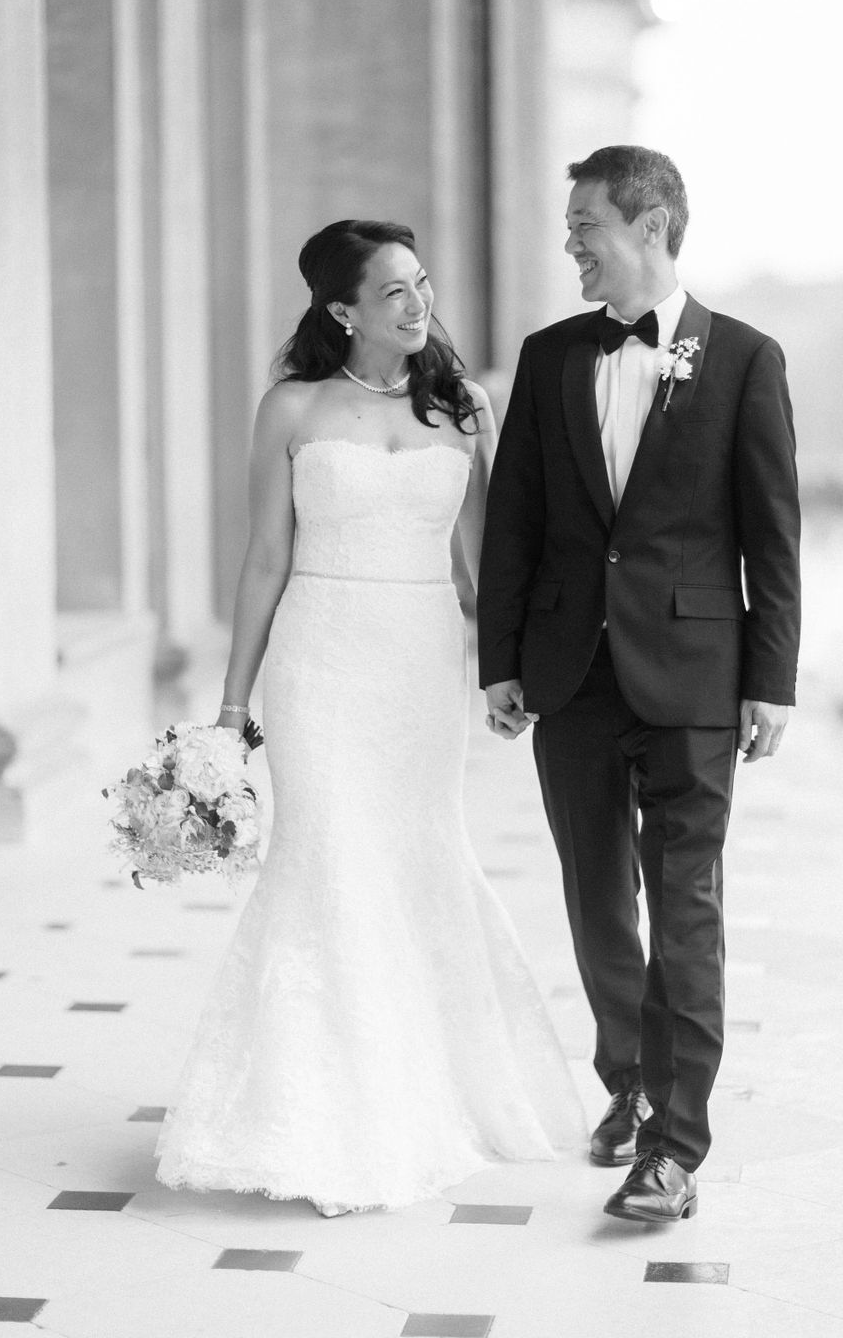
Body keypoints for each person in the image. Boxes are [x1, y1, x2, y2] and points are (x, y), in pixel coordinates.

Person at [155, 219, 587, 1215]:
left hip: (420, 665)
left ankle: (427, 1087)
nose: (417, 302)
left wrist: (503, 671)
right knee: (329, 863)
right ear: (341, 310)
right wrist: (231, 706)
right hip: (319, 661)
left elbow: (485, 565)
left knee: (418, 855)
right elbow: (264, 558)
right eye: (393, 290)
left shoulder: (460, 407)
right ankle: (329, 1115)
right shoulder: (292, 409)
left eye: (421, 282)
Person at [477, 146, 801, 1223]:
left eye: (586, 226)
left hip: (696, 678)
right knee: (594, 898)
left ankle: (673, 1148)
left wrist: (772, 681)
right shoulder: (550, 354)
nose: (570, 243)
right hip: (569, 676)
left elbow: (772, 533)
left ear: (651, 223)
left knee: (687, 906)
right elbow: (517, 520)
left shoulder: (745, 359)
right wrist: (503, 663)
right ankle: (629, 1078)